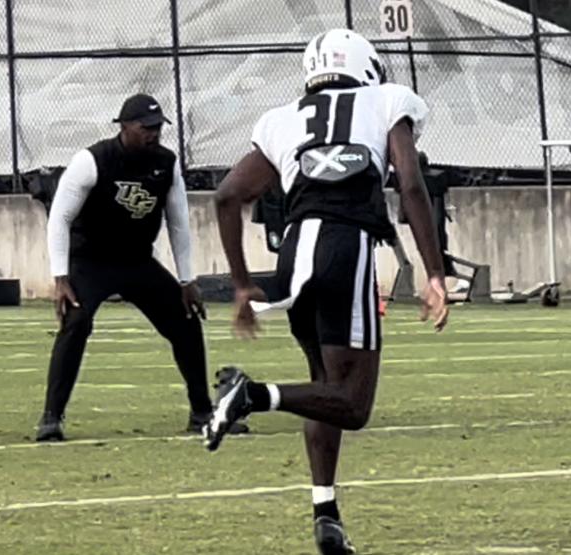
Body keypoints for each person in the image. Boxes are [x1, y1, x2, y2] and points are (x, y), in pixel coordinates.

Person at [208, 30, 450, 555]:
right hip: (347, 245)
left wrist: (244, 284)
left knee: (325, 386)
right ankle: (252, 395)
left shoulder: (280, 118)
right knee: (353, 402)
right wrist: (435, 272)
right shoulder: (388, 99)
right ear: (367, 65)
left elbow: (228, 197)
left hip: (295, 252)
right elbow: (410, 186)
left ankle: (326, 515)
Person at [38, 93, 239, 441]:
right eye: (146, 127)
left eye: (158, 127)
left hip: (136, 260)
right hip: (91, 261)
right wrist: (60, 277)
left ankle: (201, 411)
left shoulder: (166, 162)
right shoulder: (93, 160)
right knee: (76, 322)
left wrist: (187, 280)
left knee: (186, 320)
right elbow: (60, 218)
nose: (153, 133)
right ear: (125, 127)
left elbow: (178, 223)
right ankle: (51, 418)